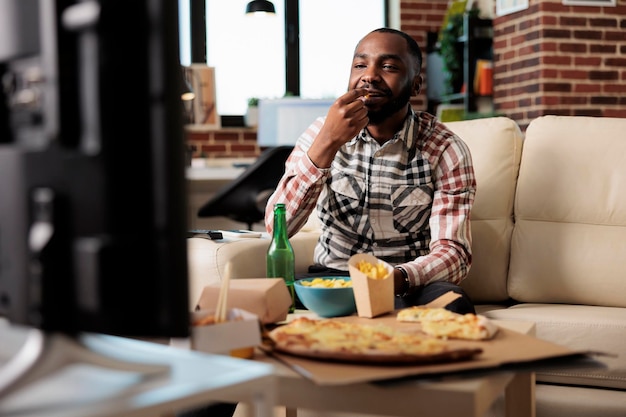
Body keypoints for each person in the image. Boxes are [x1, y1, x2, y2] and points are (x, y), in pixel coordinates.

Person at [265, 28, 477, 314]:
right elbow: (277, 228)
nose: (370, 76)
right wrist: (327, 143)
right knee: (272, 300)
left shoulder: (445, 149)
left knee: (453, 304)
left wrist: (395, 279)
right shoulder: (320, 135)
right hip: (334, 278)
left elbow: (455, 253)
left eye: (388, 67)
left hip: (406, 282)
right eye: (360, 65)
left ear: (415, 85)